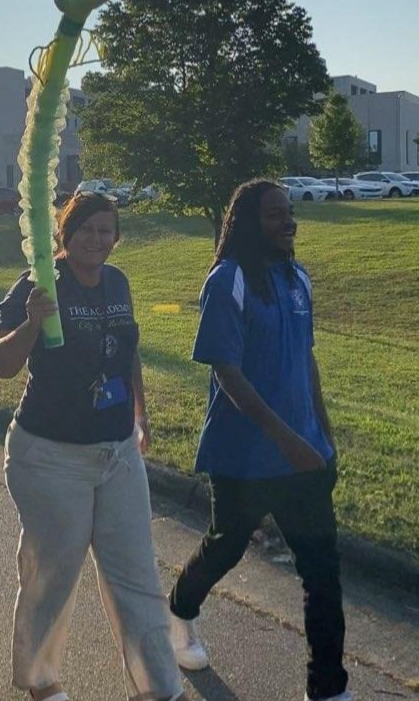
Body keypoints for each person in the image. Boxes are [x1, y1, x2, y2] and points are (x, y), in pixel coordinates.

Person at [0, 192, 196, 701]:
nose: (97, 239)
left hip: (117, 450)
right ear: (65, 232)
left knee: (136, 573)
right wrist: (33, 322)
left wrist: (140, 415)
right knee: (53, 574)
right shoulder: (40, 283)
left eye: (107, 230)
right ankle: (40, 680)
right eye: (87, 229)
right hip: (51, 455)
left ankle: (159, 686)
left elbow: (128, 351)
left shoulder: (118, 282)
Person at [167, 179, 351, 701]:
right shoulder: (229, 280)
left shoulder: (298, 278)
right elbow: (227, 370)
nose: (288, 222)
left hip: (305, 455)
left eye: (290, 212)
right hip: (244, 457)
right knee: (226, 546)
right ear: (249, 222)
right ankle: (178, 611)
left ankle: (329, 687)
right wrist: (285, 439)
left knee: (322, 573)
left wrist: (322, 431)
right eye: (275, 214)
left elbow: (306, 359)